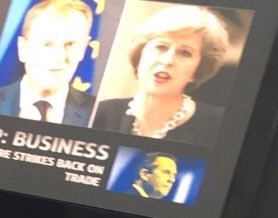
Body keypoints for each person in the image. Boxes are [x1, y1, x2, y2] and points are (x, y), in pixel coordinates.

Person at [91, 5, 230, 145]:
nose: (167, 60)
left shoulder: (220, 125)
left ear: (197, 70)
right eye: (161, 47)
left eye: (185, 53)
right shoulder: (99, 113)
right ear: (140, 55)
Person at [0, 0, 95, 126]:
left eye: (70, 45)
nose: (59, 56)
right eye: (47, 44)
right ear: (23, 49)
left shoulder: (99, 116)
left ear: (83, 48)